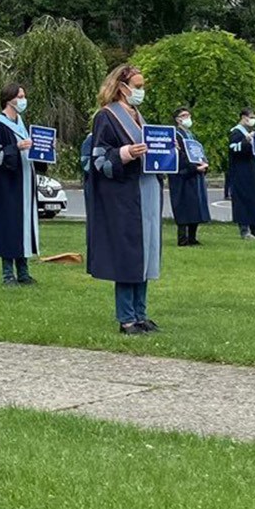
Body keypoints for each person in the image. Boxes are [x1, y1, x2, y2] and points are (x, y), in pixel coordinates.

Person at [86, 63, 162, 335]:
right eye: (137, 87)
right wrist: (126, 152)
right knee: (128, 255)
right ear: (122, 88)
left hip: (147, 192)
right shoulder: (106, 117)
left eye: (142, 87)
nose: (140, 92)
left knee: (146, 254)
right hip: (124, 196)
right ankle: (126, 317)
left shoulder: (139, 116)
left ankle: (141, 313)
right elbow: (99, 159)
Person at [0, 84, 38, 285]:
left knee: (23, 227)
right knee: (8, 227)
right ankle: (8, 274)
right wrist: (15, 147)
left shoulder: (22, 124)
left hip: (24, 184)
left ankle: (23, 272)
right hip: (7, 186)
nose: (24, 99)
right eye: (20, 96)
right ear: (9, 99)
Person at [224, 108, 255, 239]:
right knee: (244, 199)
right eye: (250, 117)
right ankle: (244, 230)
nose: (252, 119)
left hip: (253, 170)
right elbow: (234, 149)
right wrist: (246, 141)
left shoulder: (251, 132)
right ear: (243, 117)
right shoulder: (236, 132)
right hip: (242, 172)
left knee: (254, 198)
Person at [170, 108, 211, 247]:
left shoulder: (191, 135)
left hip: (195, 175)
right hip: (182, 175)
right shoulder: (176, 135)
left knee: (195, 207)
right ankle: (183, 238)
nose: (188, 117)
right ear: (177, 119)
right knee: (184, 207)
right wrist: (193, 168)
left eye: (188, 115)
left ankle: (193, 237)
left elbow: (198, 152)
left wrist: (204, 164)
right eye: (184, 115)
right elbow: (178, 156)